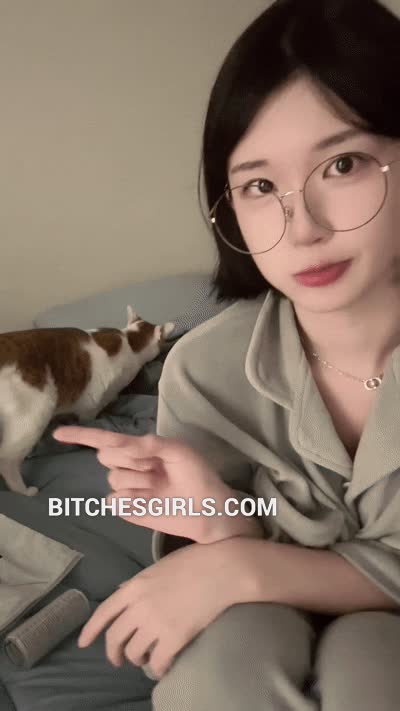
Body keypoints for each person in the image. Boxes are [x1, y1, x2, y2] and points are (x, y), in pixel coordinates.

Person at [53, 0, 400, 708]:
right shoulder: (205, 369)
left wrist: (243, 568)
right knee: (224, 665)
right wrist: (224, 525)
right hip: (261, 627)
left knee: (372, 665)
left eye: (343, 164)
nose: (301, 229)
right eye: (260, 186)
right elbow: (231, 552)